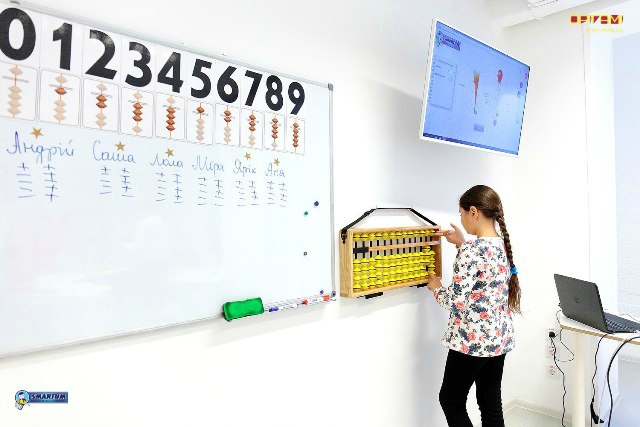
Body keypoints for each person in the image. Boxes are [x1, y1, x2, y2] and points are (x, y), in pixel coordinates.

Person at [427, 185, 520, 427]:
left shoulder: (471, 251)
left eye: (461, 214)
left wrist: (436, 287)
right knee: (490, 403)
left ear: (473, 212)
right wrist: (462, 243)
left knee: (451, 400)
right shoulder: (501, 245)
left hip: (472, 342)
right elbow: (482, 275)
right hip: (498, 338)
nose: (461, 219)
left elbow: (455, 302)